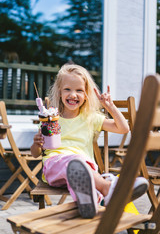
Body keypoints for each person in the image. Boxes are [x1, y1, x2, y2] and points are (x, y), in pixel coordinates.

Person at [31, 64, 149, 219]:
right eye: (68, 89)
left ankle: (90, 204)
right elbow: (35, 154)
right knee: (75, 163)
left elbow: (124, 128)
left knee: (81, 175)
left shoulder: (90, 118)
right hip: (54, 167)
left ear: (86, 94)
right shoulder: (50, 118)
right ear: (59, 92)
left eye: (79, 90)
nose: (73, 94)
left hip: (85, 169)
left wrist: (110, 106)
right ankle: (109, 189)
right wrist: (36, 143)